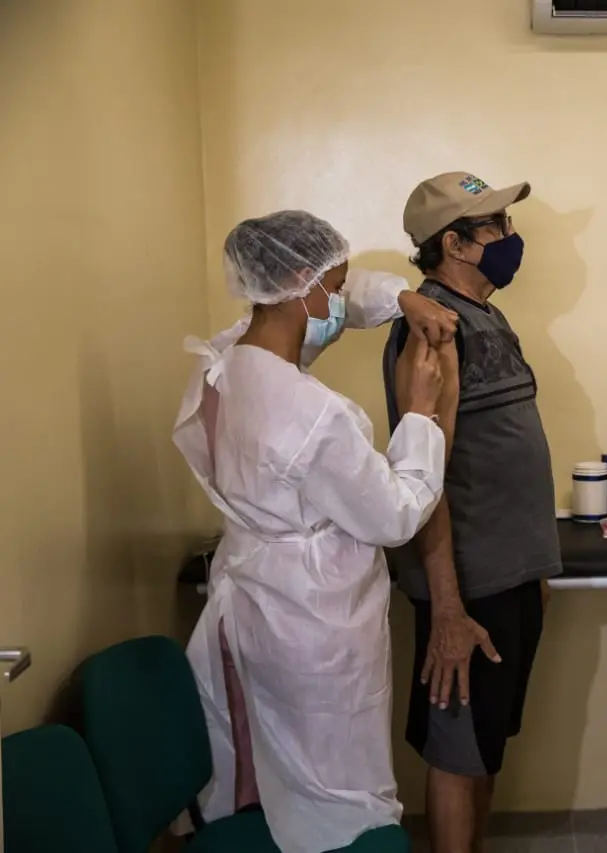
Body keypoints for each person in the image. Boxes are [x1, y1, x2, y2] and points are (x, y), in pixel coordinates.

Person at [173, 210, 462, 853]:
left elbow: (328, 306)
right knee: (337, 795)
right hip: (313, 622)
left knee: (263, 761)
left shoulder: (225, 364)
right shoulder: (311, 414)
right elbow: (394, 514)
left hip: (251, 594)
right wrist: (419, 413)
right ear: (301, 285)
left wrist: (401, 297)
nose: (340, 300)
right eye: (333, 286)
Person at [381, 174, 562, 852]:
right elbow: (422, 479)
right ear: (453, 243)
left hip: (509, 576)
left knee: (483, 747)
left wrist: (534, 567)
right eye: (496, 229)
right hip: (469, 586)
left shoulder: (482, 314)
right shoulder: (431, 330)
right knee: (458, 757)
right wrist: (448, 610)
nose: (512, 240)